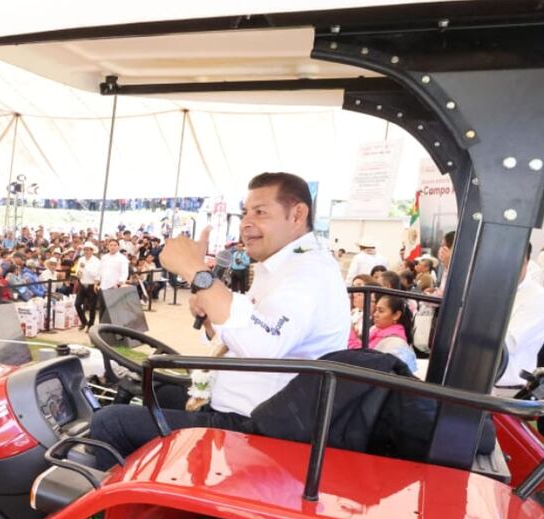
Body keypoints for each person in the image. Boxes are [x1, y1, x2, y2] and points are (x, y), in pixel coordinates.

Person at [90, 172, 350, 458]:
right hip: (240, 404)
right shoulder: (280, 267)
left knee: (110, 422)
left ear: (298, 214)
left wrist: (194, 270)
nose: (246, 223)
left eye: (260, 212)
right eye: (245, 212)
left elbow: (263, 345)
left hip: (255, 428)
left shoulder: (308, 272)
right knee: (154, 384)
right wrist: (214, 321)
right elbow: (251, 331)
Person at [497, 244, 544, 396]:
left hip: (506, 390)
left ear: (526, 262)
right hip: (477, 382)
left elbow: (508, 343)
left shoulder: (539, 298)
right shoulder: (493, 290)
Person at [349, 294, 417, 373]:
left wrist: (351, 337)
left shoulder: (395, 343)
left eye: (381, 311)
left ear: (396, 315)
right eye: (376, 310)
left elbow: (365, 361)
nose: (375, 314)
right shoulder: (375, 331)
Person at [73, 242, 100, 330]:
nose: (86, 251)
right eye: (85, 250)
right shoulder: (81, 259)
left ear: (92, 251)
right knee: (77, 304)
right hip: (82, 284)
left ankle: (90, 325)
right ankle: (84, 322)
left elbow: (96, 274)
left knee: (92, 307)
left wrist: (86, 269)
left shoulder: (96, 261)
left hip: (92, 285)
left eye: (88, 250)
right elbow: (78, 270)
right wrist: (78, 273)